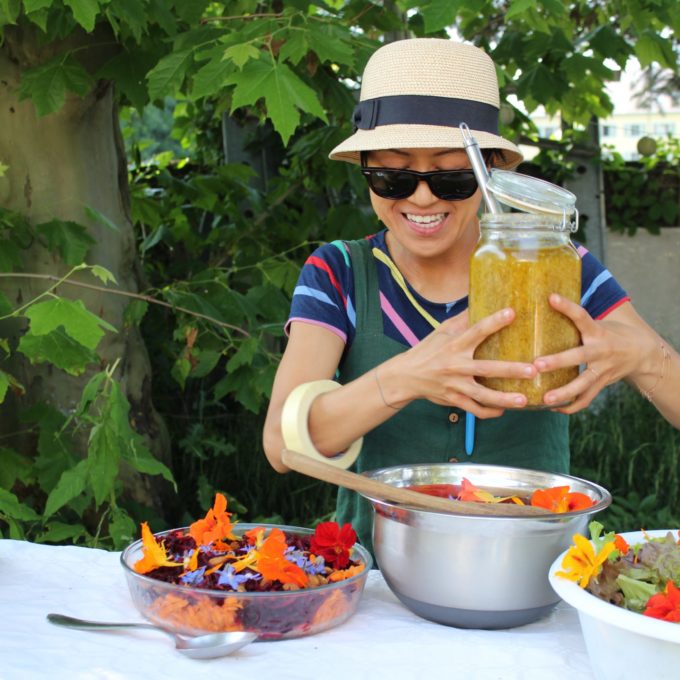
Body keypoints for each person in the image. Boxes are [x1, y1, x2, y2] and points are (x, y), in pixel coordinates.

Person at [262, 38, 680, 552]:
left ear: (493, 170)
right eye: (393, 175)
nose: (421, 197)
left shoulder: (556, 264)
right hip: (381, 581)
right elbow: (283, 446)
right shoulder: (340, 272)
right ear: (365, 171)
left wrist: (642, 356)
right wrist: (404, 378)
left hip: (530, 570)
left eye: (452, 176)